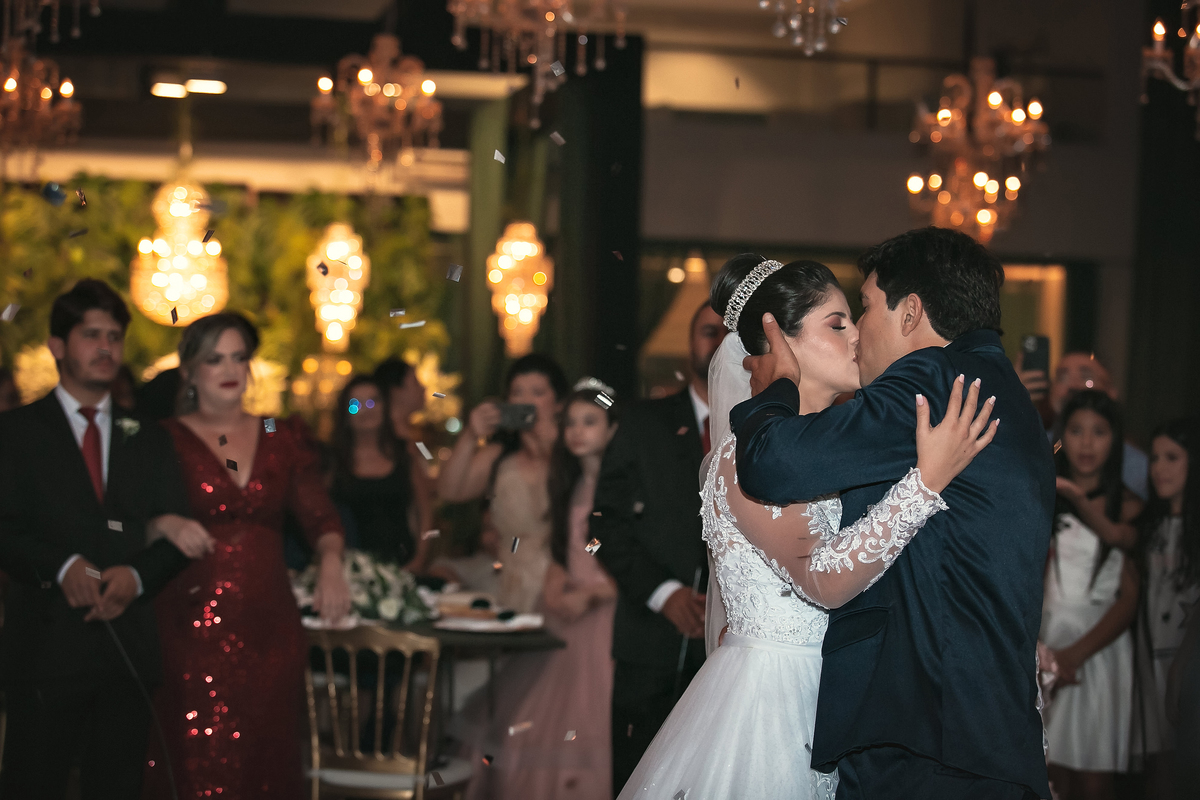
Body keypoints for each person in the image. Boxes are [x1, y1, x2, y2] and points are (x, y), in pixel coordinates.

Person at [617, 257, 997, 799]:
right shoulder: (742, 461)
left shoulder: (840, 447)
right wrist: (925, 484)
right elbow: (824, 579)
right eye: (836, 324)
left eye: (853, 319)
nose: (857, 335)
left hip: (847, 690)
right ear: (781, 343)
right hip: (775, 702)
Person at [733, 227, 1056, 799]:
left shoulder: (934, 378)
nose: (858, 332)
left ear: (910, 312)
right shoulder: (1004, 389)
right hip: (981, 733)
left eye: (864, 307)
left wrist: (775, 388)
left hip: (924, 737)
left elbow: (772, 465)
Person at [0, 279, 201, 799]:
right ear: (57, 345)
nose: (106, 347)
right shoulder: (15, 433)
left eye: (114, 336)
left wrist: (137, 576)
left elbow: (176, 530)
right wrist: (61, 566)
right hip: (43, 651)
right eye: (91, 335)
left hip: (126, 651)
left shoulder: (148, 435)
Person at [147, 312, 351, 799]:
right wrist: (164, 524)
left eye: (239, 357)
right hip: (189, 627)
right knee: (195, 763)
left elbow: (321, 518)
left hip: (270, 626)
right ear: (189, 371)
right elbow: (125, 521)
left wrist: (330, 563)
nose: (229, 369)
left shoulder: (280, 433)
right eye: (214, 359)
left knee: (267, 761)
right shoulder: (162, 439)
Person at [592, 301, 725, 793]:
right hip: (650, 647)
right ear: (689, 343)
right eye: (708, 331)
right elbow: (600, 525)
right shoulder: (642, 421)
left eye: (730, 332)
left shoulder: (768, 425)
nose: (719, 342)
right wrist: (664, 593)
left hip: (734, 653)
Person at [494, 385, 621, 799]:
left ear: (612, 428)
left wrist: (592, 595)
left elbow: (632, 559)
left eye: (590, 422)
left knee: (589, 713)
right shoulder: (569, 483)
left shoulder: (620, 487)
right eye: (570, 423)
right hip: (568, 606)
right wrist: (555, 583)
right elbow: (565, 548)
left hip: (606, 609)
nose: (577, 432)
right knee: (533, 716)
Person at [1040, 390, 1141, 800]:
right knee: (1049, 773)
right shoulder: (1044, 498)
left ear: (1116, 440)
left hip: (1099, 651)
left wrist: (1074, 656)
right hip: (1047, 645)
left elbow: (1129, 599)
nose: (1086, 443)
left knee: (1093, 779)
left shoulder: (1128, 506)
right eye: (1076, 430)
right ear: (1061, 436)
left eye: (1099, 432)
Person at [438, 353, 568, 613]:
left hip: (561, 579)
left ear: (559, 404)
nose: (526, 401)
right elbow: (450, 491)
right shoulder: (499, 457)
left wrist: (552, 446)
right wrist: (471, 435)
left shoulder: (572, 453)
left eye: (537, 392)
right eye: (517, 393)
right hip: (509, 579)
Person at [1131, 418, 1199, 799]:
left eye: (1172, 457)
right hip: (1149, 658)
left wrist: (1181, 665)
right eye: (1154, 458)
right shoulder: (1149, 524)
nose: (1159, 468)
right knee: (1157, 766)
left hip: (1186, 660)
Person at [331, 375, 429, 571]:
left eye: (372, 401)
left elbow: (425, 510)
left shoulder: (405, 453)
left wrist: (420, 558)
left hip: (402, 565)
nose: (365, 410)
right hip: (349, 568)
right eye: (355, 404)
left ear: (385, 407)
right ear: (345, 413)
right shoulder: (333, 462)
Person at [1020, 350, 1149, 499]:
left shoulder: (1138, 467)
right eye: (1062, 378)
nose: (1072, 386)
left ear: (1112, 392)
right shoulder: (1032, 446)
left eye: (1086, 377)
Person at [374, 357, 437, 544]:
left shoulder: (412, 439)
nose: (424, 388)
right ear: (396, 390)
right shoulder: (387, 442)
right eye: (415, 382)